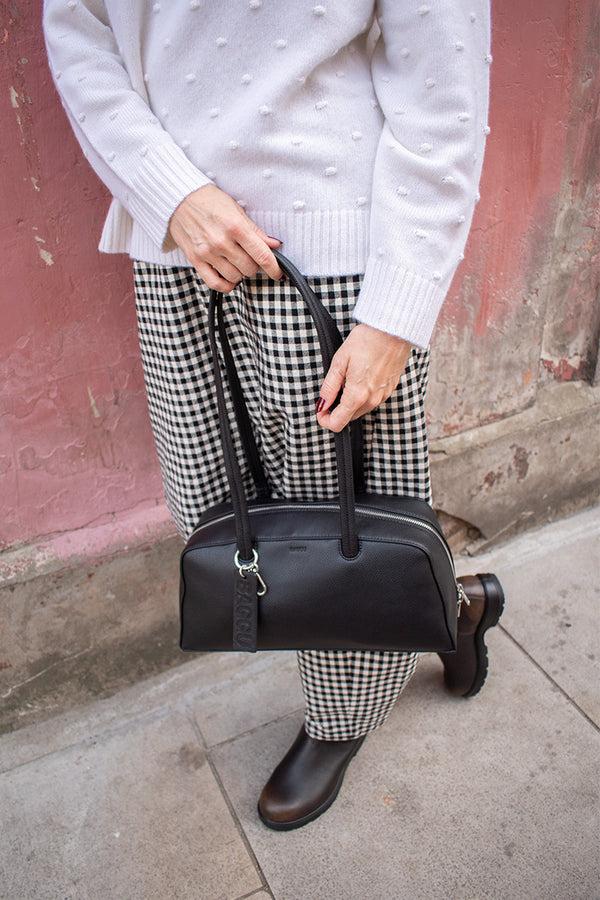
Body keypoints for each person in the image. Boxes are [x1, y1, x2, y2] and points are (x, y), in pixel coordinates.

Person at [43, 0, 504, 831]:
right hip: (179, 250)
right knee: (224, 526)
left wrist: (394, 316)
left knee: (340, 534)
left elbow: (444, 83)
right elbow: (78, 28)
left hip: (334, 261)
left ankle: (341, 718)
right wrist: (169, 192)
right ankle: (451, 605)